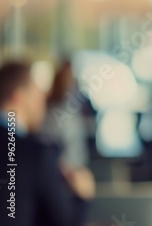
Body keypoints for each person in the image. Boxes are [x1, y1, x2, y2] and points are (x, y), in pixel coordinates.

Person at [0, 61, 95, 226]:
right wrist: (83, 196)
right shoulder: (37, 153)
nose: (42, 104)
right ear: (19, 98)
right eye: (37, 96)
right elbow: (65, 222)